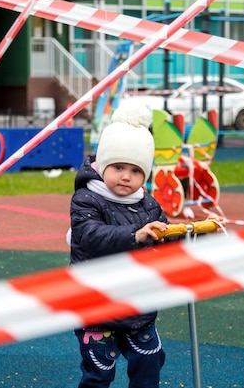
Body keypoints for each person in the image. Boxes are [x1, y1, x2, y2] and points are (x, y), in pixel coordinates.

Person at [68, 102, 169, 388]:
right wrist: (136, 235)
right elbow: (90, 236)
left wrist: (192, 234)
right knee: (99, 373)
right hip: (97, 307)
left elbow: (165, 235)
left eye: (136, 171)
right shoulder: (86, 199)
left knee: (149, 364)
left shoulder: (148, 204)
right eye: (119, 167)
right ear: (102, 165)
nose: (126, 176)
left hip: (138, 307)